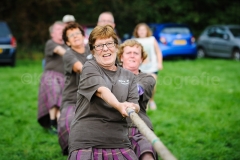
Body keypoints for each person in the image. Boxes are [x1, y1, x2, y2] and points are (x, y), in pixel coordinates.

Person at [68, 25, 140, 160]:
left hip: (119, 140)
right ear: (93, 51)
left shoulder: (129, 76)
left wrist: (132, 107)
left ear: (117, 46)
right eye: (99, 46)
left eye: (109, 44)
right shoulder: (90, 67)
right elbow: (101, 91)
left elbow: (135, 104)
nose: (105, 49)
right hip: (86, 139)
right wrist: (119, 105)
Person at [118, 39, 157, 160]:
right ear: (121, 57)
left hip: (138, 127)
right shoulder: (109, 74)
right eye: (128, 53)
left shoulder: (148, 78)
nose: (132, 56)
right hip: (112, 126)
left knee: (147, 154)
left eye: (136, 53)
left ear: (141, 59)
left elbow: (137, 90)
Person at [58, 22, 92, 155]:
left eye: (77, 33)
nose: (75, 36)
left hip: (92, 97)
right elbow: (80, 68)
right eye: (71, 35)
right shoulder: (68, 55)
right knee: (68, 123)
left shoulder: (92, 49)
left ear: (83, 35)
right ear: (67, 42)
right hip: (73, 98)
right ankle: (70, 150)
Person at [38, 21, 67, 134]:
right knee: (54, 86)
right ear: (52, 34)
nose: (61, 32)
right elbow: (62, 52)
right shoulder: (51, 43)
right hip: (51, 74)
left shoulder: (68, 45)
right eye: (58, 29)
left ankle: (58, 123)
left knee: (64, 90)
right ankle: (52, 122)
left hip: (65, 77)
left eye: (63, 29)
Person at [133, 23, 163, 110]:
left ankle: (152, 100)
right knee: (141, 86)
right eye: (140, 30)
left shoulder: (152, 39)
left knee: (152, 85)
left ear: (147, 31)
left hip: (152, 66)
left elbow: (158, 52)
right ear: (137, 31)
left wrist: (160, 63)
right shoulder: (134, 41)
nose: (142, 31)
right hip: (140, 68)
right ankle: (143, 103)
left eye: (144, 29)